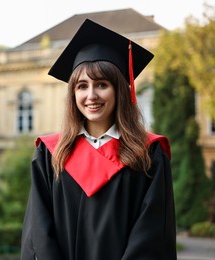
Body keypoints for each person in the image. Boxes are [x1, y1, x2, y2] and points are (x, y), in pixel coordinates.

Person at [20, 19, 176, 260]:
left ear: (119, 90)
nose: (91, 95)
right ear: (73, 94)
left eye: (101, 84)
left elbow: (153, 233)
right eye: (82, 86)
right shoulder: (50, 153)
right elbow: (38, 230)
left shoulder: (148, 153)